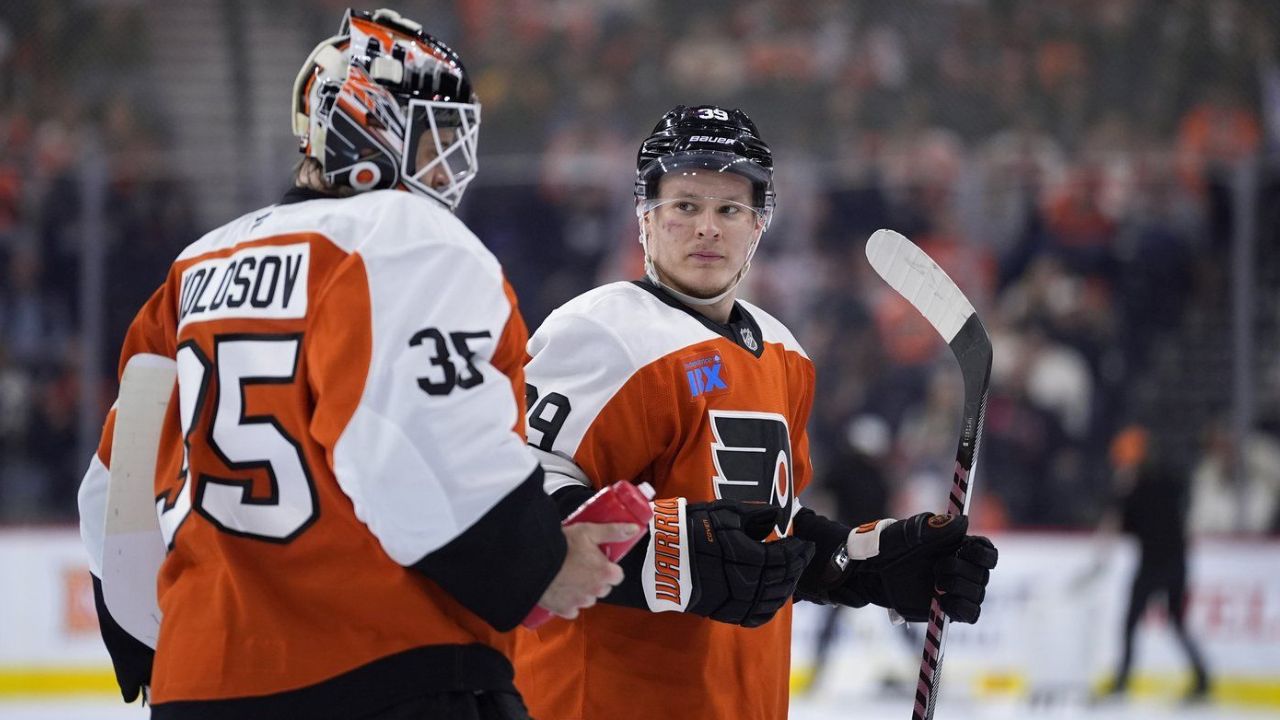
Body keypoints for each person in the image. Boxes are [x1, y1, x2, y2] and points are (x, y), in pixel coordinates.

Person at [76, 9, 637, 719]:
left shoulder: (195, 268)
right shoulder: (405, 236)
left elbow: (113, 495)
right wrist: (537, 565)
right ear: (364, 124)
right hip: (392, 669)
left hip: (200, 686)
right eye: (432, 135)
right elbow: (411, 442)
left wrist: (149, 649)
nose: (449, 164)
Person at [513, 104, 999, 720]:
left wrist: (860, 563)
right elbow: (521, 504)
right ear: (646, 216)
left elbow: (768, 535)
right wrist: (676, 555)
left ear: (759, 223)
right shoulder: (602, 332)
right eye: (685, 205)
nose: (707, 228)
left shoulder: (782, 352)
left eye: (729, 209)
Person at [1099, 425, 1211, 702]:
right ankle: (1202, 678)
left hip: (1154, 564)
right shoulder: (1169, 480)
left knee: (1131, 621)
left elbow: (1127, 526)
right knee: (1175, 621)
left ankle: (1124, 679)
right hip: (1175, 562)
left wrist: (1121, 495)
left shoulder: (1136, 488)